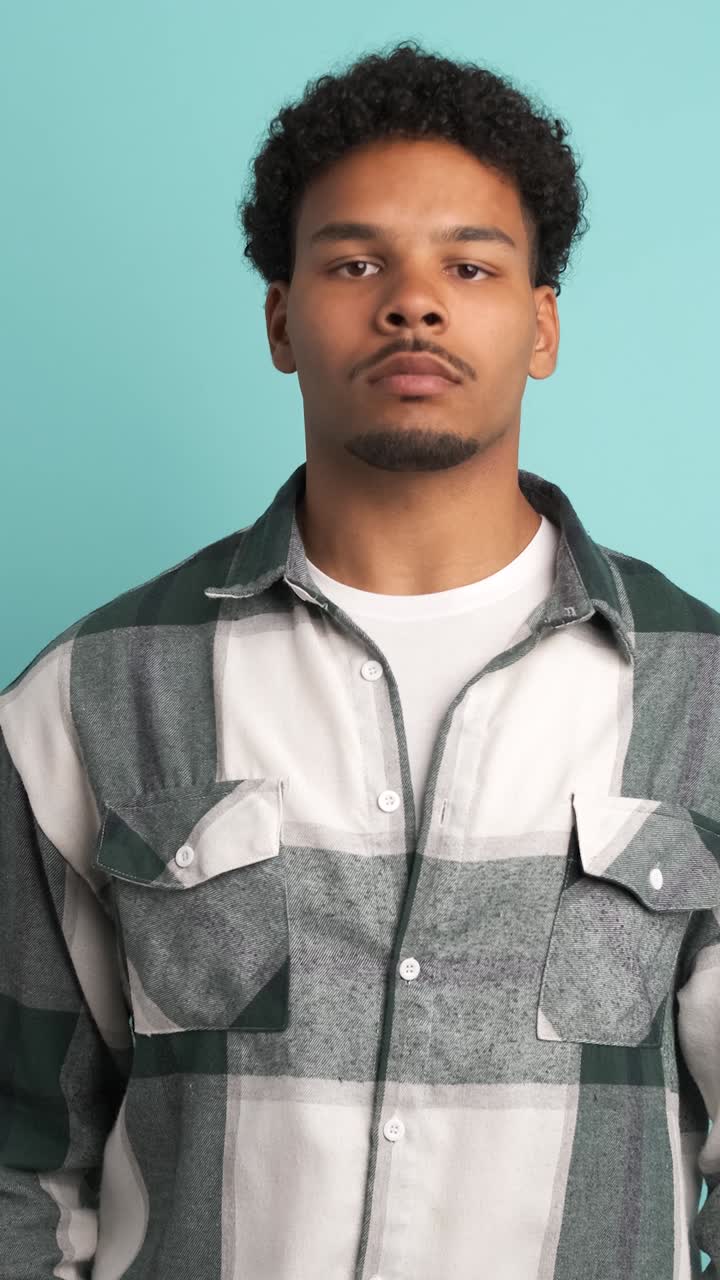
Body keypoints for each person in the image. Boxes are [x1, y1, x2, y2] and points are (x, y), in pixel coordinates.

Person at [1, 37, 718, 1280]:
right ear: (282, 318)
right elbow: (18, 1158)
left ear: (540, 326)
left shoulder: (699, 692)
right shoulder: (93, 692)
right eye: (355, 260)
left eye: (471, 264)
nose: (414, 301)